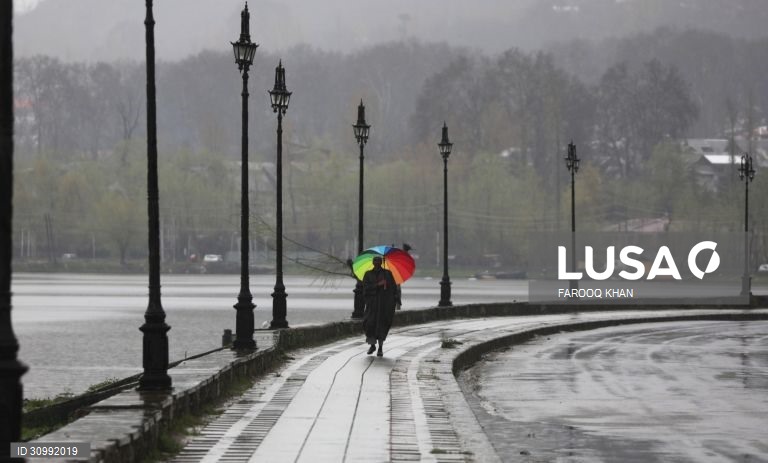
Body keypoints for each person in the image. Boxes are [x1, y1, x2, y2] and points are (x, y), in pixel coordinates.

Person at [362, 256, 399, 356]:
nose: (377, 262)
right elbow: (365, 288)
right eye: (375, 261)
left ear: (381, 262)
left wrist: (394, 299)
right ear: (373, 262)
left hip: (384, 304)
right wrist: (377, 285)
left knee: (382, 325)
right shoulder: (368, 274)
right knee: (369, 324)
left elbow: (394, 288)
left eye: (379, 261)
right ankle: (372, 345)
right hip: (372, 305)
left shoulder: (387, 274)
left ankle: (380, 348)